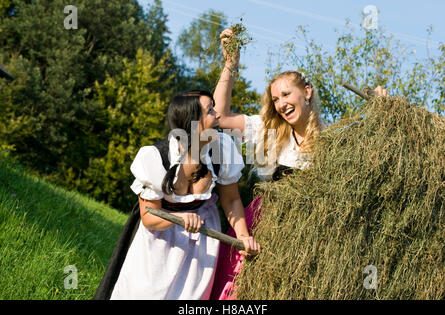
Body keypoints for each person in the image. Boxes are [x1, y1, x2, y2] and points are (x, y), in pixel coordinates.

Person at [210, 28, 389, 300]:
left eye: (286, 95)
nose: (281, 104)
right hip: (261, 227)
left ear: (306, 91)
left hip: (304, 239)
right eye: (276, 99)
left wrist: (384, 114)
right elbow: (219, 116)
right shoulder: (268, 130)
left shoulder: (335, 141)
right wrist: (230, 66)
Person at [105, 90, 259, 300]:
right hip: (160, 241)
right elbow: (149, 216)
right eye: (210, 111)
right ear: (193, 122)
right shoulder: (156, 156)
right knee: (146, 293)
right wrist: (179, 219)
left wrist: (243, 236)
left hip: (202, 243)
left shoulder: (222, 149)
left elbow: (231, 200)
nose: (218, 115)